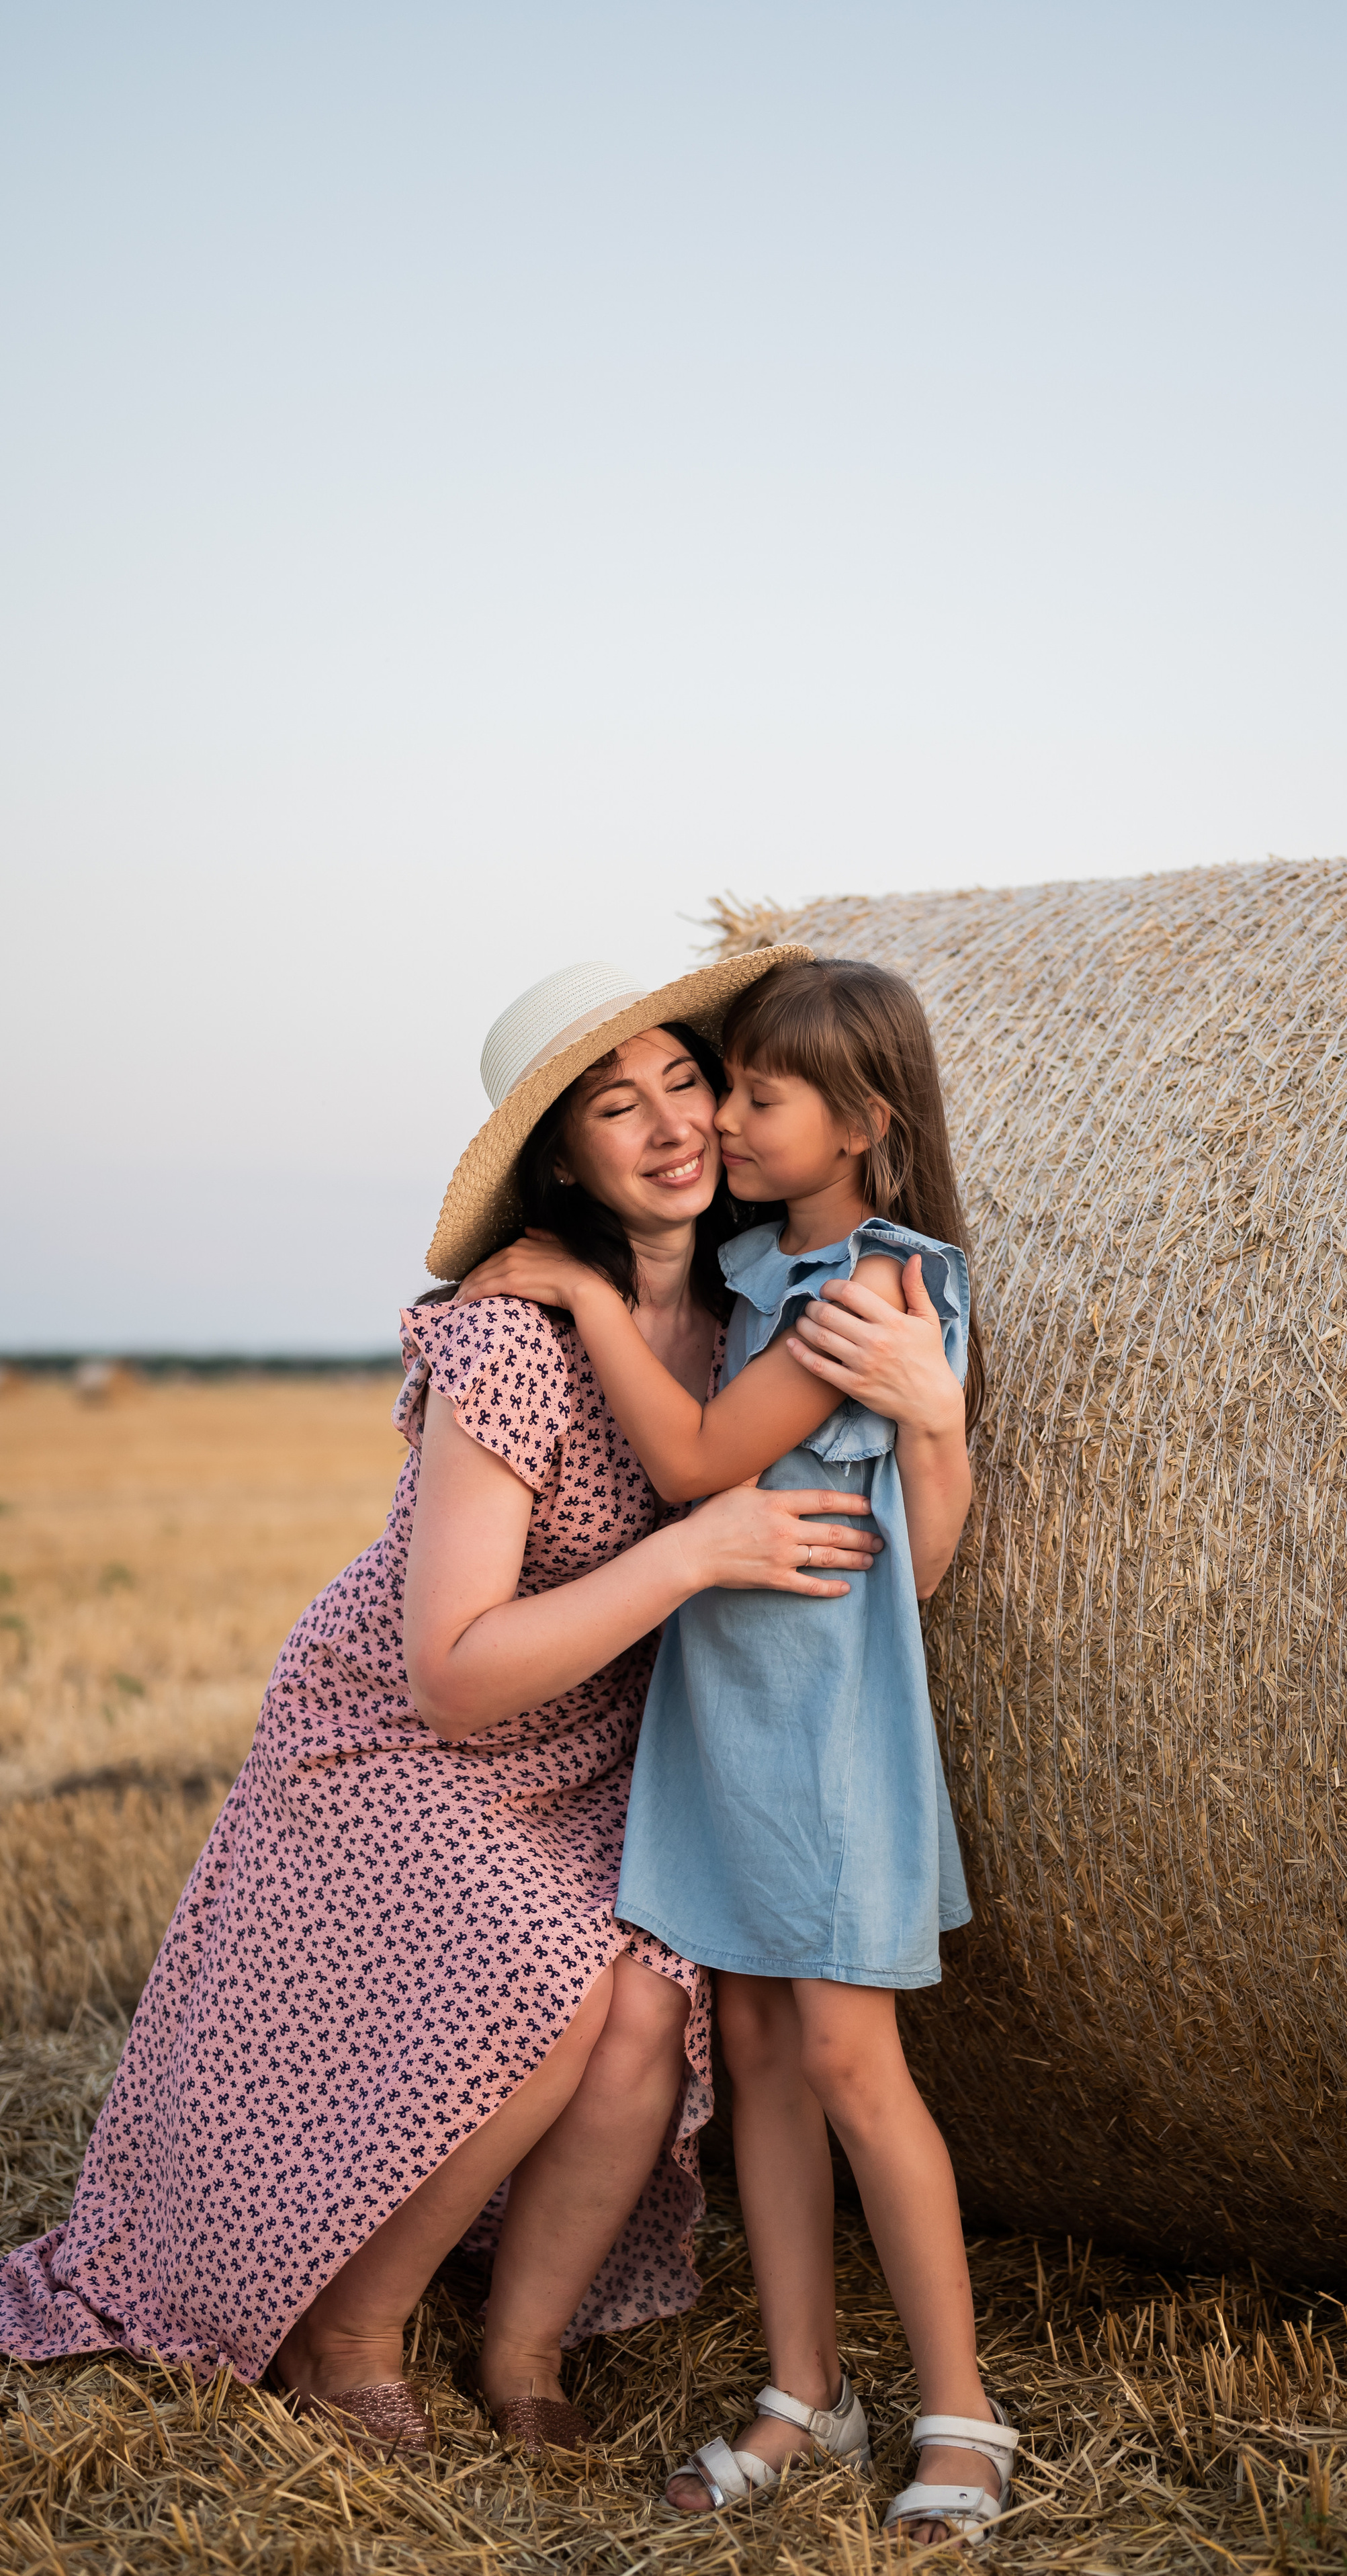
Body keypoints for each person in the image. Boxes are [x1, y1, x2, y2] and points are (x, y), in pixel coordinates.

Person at [0, 949, 959, 2461]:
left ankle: (521, 2353)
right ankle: (348, 2337)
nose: (668, 1128)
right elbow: (451, 1672)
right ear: (561, 1158)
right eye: (609, 1106)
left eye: (684, 1082)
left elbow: (893, 1549)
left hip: (597, 1752)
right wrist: (694, 1549)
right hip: (404, 1737)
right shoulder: (504, 1338)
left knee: (653, 1998)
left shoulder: (752, 1311)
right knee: (553, 1969)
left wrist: (939, 1415)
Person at [476, 955, 1013, 2546]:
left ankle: (960, 2410)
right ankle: (801, 2393)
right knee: (764, 2066)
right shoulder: (749, 1264)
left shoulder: (880, 1287)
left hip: (826, 1732)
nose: (718, 1117)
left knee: (852, 2063)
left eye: (749, 1094)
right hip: (719, 1721)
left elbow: (703, 1456)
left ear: (856, 1124)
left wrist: (576, 1295)